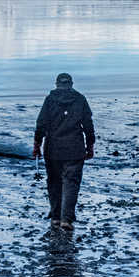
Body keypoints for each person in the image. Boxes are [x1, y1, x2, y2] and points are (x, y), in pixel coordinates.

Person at [33, 73, 95, 230]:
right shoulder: (80, 99)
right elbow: (88, 124)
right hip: (74, 148)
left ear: (56, 84)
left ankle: (55, 217)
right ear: (71, 84)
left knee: (54, 182)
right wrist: (90, 145)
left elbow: (41, 123)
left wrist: (37, 144)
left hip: (53, 148)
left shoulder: (50, 100)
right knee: (71, 183)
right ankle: (66, 219)